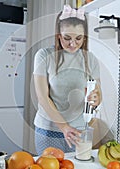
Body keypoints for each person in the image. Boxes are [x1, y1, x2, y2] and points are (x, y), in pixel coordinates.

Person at [33, 4, 102, 155]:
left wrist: (95, 99)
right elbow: (42, 97)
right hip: (49, 130)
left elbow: (98, 94)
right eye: (67, 38)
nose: (73, 44)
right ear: (58, 35)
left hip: (79, 131)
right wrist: (64, 127)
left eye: (78, 38)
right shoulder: (44, 56)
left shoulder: (91, 59)